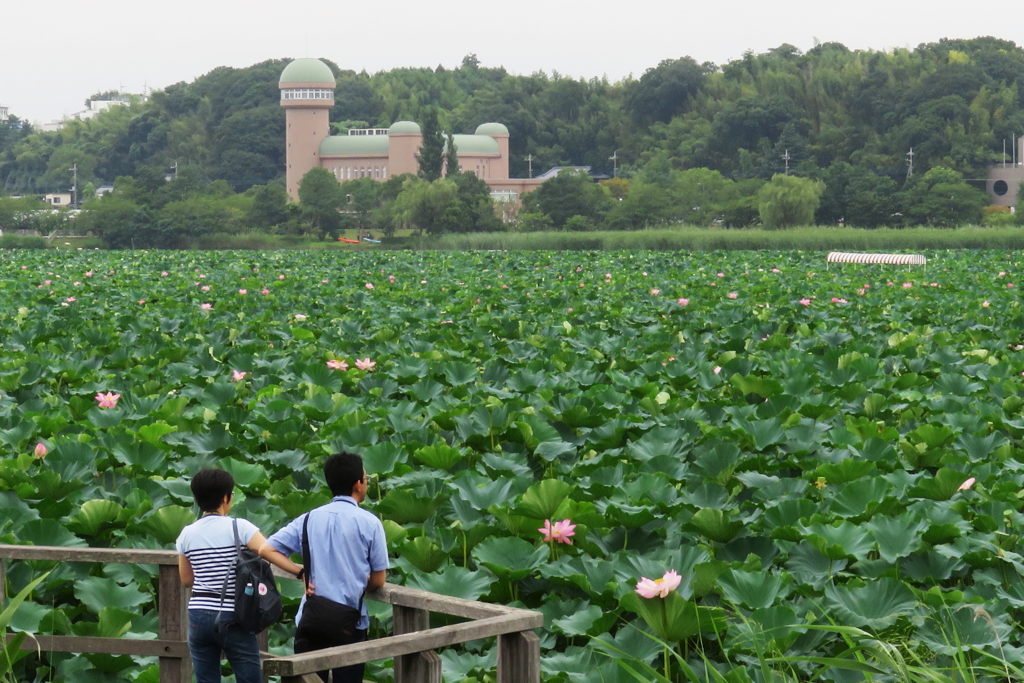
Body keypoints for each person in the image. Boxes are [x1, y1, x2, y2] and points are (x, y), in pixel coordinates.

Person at [260, 452, 388, 683]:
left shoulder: (309, 518)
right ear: (358, 484)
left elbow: (266, 550)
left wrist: (300, 572)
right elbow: (378, 581)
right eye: (365, 477)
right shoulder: (370, 523)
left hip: (311, 619)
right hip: (350, 623)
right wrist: (358, 582)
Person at [176, 469, 303, 683]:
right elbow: (269, 552)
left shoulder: (186, 534)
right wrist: (299, 571)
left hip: (198, 614)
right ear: (226, 497)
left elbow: (187, 580)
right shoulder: (240, 527)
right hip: (232, 615)